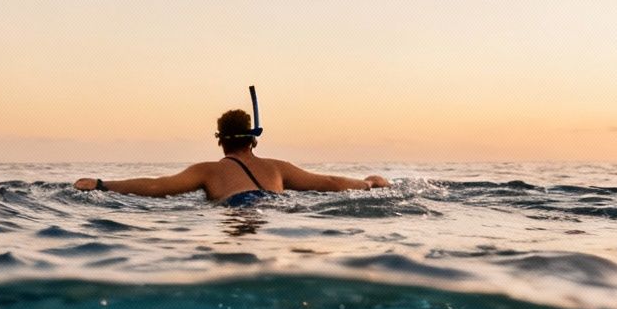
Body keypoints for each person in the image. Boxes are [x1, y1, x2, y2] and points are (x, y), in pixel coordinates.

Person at [74, 110, 390, 206]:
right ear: (253, 139)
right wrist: (368, 185)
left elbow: (158, 187)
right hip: (276, 207)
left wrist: (103, 184)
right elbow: (331, 183)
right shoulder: (278, 168)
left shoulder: (208, 171)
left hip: (238, 206)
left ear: (220, 141)